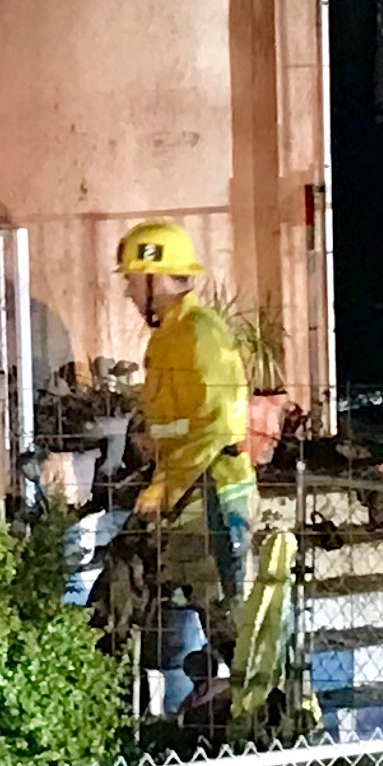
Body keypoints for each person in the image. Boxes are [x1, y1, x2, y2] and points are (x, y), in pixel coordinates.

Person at [115, 219, 255, 693]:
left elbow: (217, 424)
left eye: (133, 281)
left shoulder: (201, 333)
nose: (129, 293)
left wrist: (164, 486)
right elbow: (174, 421)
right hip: (180, 490)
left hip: (211, 491)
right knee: (126, 581)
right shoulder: (167, 337)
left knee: (223, 614)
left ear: (157, 279)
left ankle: (262, 720)